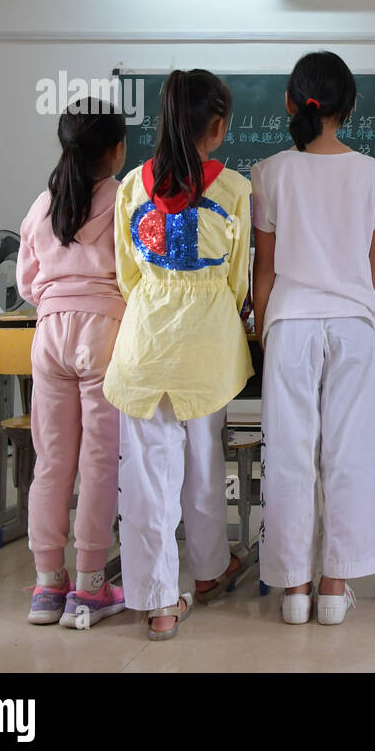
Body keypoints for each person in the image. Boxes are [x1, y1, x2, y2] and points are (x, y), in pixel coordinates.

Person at [103, 69, 253, 640]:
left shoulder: (130, 187)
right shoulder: (236, 189)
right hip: (208, 343)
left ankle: (160, 601)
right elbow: (238, 282)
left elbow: (127, 276)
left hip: (144, 342)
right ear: (216, 127)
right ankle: (211, 571)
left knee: (145, 476)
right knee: (203, 460)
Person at [251, 51, 375, 625]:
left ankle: (293, 589)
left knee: (288, 452)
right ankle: (335, 589)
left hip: (289, 321)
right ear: (353, 106)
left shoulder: (269, 171)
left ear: (291, 102)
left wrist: (266, 329)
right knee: (350, 450)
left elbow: (263, 269)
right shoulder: (371, 172)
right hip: (355, 324)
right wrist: (363, 307)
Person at [17, 98, 127, 627]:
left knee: (52, 462)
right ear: (115, 150)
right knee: (100, 462)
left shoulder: (44, 203)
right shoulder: (123, 199)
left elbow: (25, 281)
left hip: (49, 334)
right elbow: (135, 272)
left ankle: (46, 585)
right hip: (103, 330)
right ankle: (89, 585)